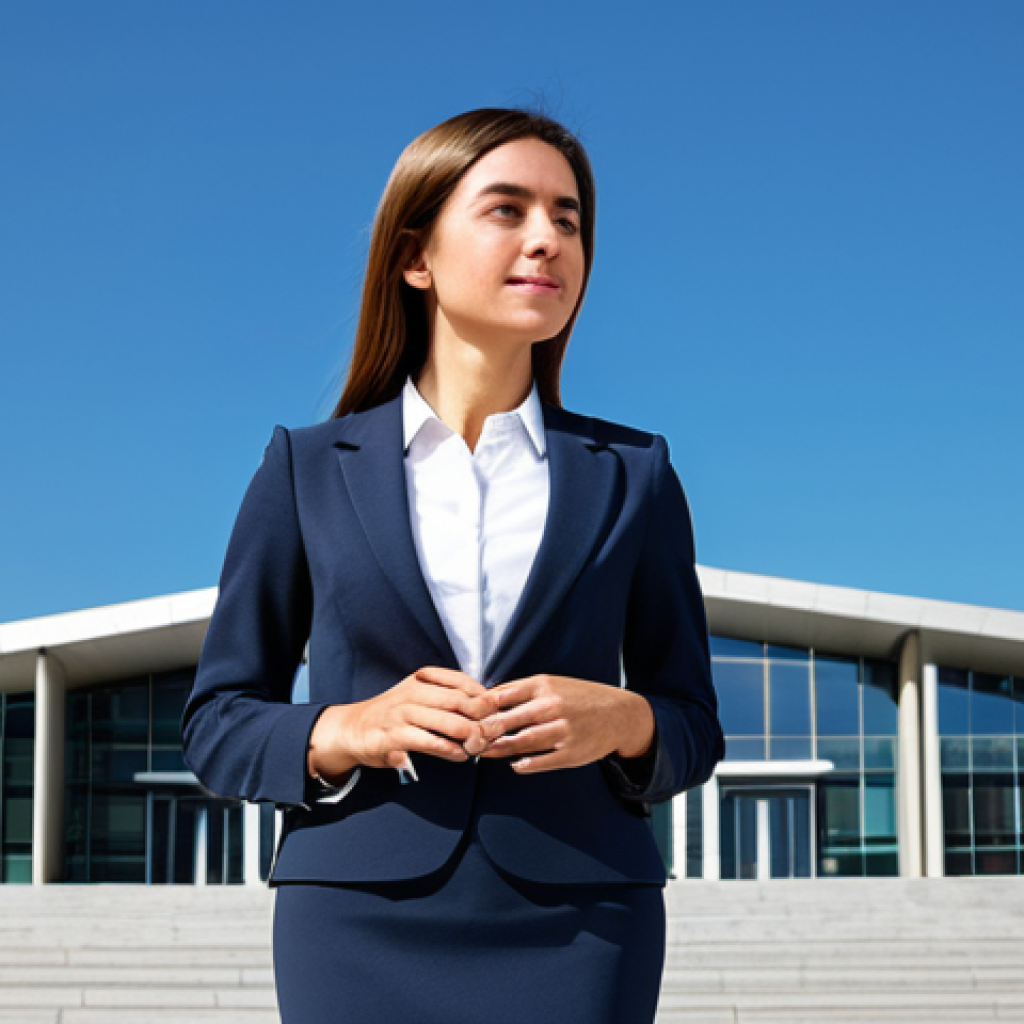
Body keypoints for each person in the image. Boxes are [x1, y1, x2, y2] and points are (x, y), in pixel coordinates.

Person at [181, 106, 725, 1024]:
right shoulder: (305, 469)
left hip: (584, 918)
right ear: (415, 257)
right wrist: (346, 729)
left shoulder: (636, 475)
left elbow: (693, 724)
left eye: (569, 218)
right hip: (355, 917)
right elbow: (217, 723)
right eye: (508, 210)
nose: (548, 239)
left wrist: (626, 718)